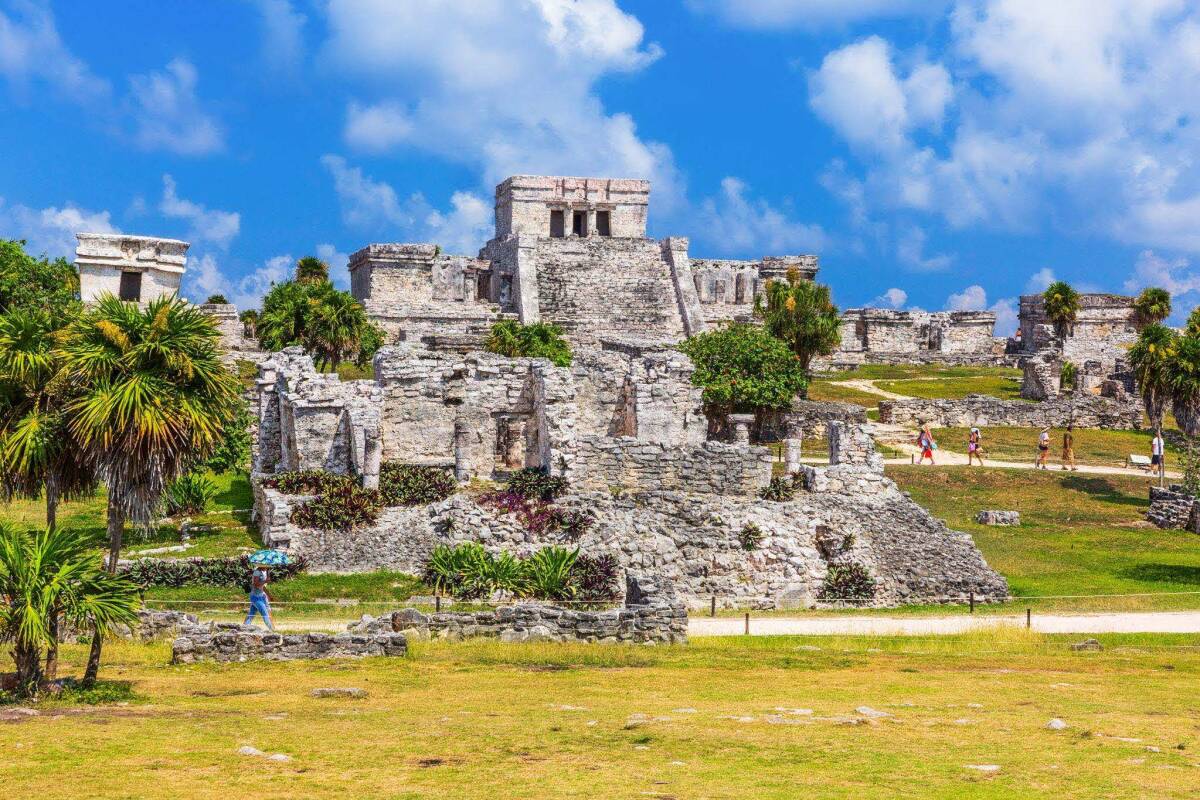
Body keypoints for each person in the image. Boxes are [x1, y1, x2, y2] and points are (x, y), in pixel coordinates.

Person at [245, 564, 274, 630]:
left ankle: (244, 627)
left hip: (260, 596)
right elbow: (256, 584)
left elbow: (262, 587)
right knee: (265, 614)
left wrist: (269, 595)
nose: (267, 567)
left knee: (251, 615)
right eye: (266, 566)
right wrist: (265, 581)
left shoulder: (262, 572)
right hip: (256, 597)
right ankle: (272, 630)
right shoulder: (257, 572)